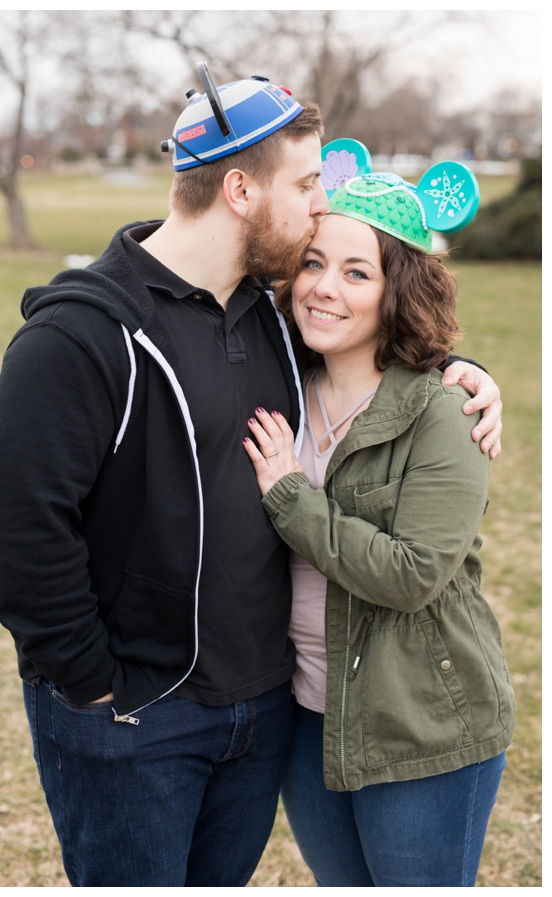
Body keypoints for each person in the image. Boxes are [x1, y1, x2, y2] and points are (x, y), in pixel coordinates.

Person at [0, 68, 504, 887]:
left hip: (262, 717)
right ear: (239, 190)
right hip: (133, 718)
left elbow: (378, 343)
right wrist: (92, 689)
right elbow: (21, 533)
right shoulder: (77, 339)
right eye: (304, 185)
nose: (320, 205)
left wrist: (460, 369)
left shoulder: (271, 317)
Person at [243, 161, 513, 886]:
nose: (324, 287)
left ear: (399, 292)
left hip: (421, 719)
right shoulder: (277, 384)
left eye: (357, 273)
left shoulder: (444, 412)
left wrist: (292, 497)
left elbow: (412, 573)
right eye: (313, 263)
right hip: (307, 711)